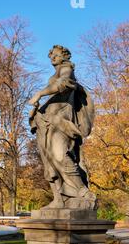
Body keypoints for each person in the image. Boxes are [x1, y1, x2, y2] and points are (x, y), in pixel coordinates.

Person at [28, 45, 97, 210]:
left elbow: (63, 85)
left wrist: (40, 94)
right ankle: (59, 199)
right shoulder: (54, 74)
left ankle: (84, 193)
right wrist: (38, 108)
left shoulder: (67, 70)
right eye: (51, 55)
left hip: (61, 121)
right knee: (49, 161)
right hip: (46, 121)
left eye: (56, 54)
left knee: (60, 155)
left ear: (65, 56)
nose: (53, 57)